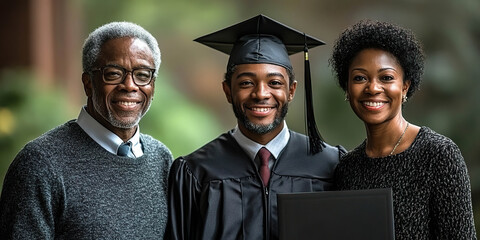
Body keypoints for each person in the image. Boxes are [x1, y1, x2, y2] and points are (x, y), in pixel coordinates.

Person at [166, 15, 345, 240]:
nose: (261, 94)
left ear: (291, 91)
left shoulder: (330, 164)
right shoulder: (196, 172)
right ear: (228, 91)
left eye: (275, 83)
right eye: (246, 83)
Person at [0, 22, 173, 239]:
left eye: (142, 74)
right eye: (113, 73)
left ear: (153, 85)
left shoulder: (162, 160)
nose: (129, 85)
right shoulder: (40, 164)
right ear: (88, 83)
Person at [329, 20, 477, 239]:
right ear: (347, 88)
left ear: (405, 86)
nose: (373, 88)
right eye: (360, 78)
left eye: (386, 78)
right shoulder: (347, 169)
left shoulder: (438, 154)